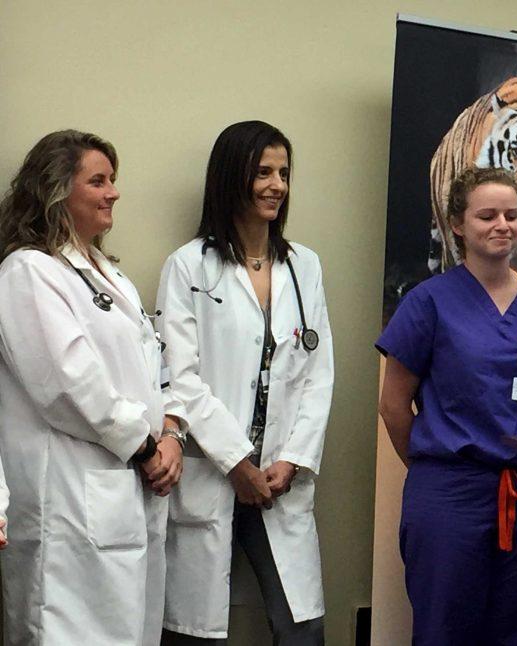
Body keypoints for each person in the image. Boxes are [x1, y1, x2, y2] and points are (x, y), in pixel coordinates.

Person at [0, 129, 186, 645]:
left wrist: (172, 433)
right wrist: (146, 446)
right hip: (69, 501)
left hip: (125, 495)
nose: (114, 192)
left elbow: (156, 369)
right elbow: (67, 384)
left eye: (113, 180)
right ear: (58, 192)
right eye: (98, 180)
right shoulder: (28, 273)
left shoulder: (110, 276)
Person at [157, 121, 333, 645]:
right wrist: (236, 461)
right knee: (194, 629)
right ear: (232, 177)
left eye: (283, 173)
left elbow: (317, 372)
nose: (277, 184)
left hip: (281, 475)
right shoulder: (188, 266)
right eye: (263, 172)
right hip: (214, 471)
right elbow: (179, 379)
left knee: (302, 627)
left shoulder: (305, 267)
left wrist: (293, 457)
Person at [377, 166, 517, 645]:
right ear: (457, 225)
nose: (503, 224)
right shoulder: (429, 301)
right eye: (487, 215)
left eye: (511, 214)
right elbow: (394, 404)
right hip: (449, 489)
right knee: (444, 627)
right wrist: (430, 464)